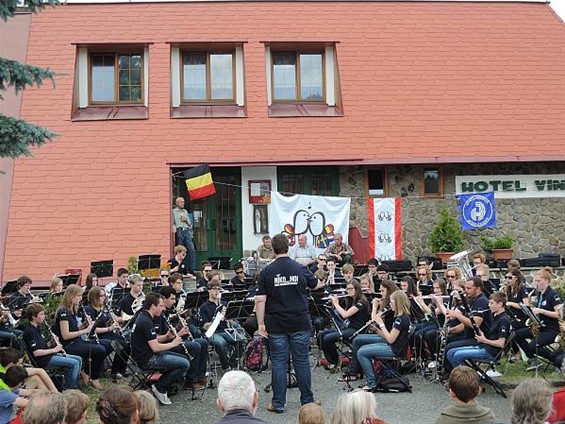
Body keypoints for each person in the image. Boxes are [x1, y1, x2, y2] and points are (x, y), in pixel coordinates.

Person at [256, 233, 325, 414]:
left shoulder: (266, 272)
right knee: (301, 361)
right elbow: (316, 284)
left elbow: (260, 300)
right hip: (299, 322)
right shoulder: (300, 268)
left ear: (274, 248)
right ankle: (307, 401)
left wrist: (260, 324)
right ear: (288, 247)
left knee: (279, 362)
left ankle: (278, 403)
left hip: (276, 324)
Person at [130, 292, 189, 405]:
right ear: (153, 306)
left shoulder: (144, 317)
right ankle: (160, 387)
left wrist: (166, 337)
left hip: (147, 354)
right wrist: (173, 343)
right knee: (184, 364)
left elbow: (151, 341)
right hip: (147, 360)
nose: (163, 309)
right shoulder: (146, 321)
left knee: (183, 358)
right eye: (160, 306)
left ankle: (162, 385)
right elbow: (155, 348)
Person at [54, 284, 107, 390]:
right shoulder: (63, 312)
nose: (80, 298)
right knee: (99, 350)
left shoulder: (72, 310)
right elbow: (65, 335)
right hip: (68, 345)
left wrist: (84, 325)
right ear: (71, 296)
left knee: (101, 347)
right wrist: (85, 330)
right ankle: (93, 377)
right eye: (78, 296)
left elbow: (74, 330)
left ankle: (87, 373)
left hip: (76, 341)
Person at [357, 290, 412, 391]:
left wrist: (381, 324)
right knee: (362, 349)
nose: (390, 303)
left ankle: (371, 382)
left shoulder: (401, 319)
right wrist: (377, 329)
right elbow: (389, 336)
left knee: (361, 352)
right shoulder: (401, 317)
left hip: (395, 350)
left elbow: (390, 340)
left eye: (391, 301)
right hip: (393, 347)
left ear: (397, 302)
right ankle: (373, 378)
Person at [22, 303, 82, 390]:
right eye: (41, 314)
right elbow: (36, 353)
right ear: (34, 317)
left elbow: (42, 347)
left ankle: (74, 385)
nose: (44, 316)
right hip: (43, 360)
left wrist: (51, 343)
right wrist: (54, 350)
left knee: (78, 359)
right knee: (74, 363)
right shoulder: (30, 331)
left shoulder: (37, 328)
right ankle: (68, 389)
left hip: (47, 356)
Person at [514, 267, 563, 371]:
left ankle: (554, 359)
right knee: (516, 334)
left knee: (532, 346)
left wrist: (542, 311)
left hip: (552, 329)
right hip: (541, 326)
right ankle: (533, 359)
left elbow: (560, 315)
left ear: (546, 281)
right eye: (535, 281)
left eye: (538, 281)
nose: (536, 283)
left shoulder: (552, 295)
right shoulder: (539, 294)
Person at [446, 292, 511, 368]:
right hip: (485, 346)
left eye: (491, 303)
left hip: (490, 352)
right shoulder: (495, 315)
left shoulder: (503, 320)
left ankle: (468, 377)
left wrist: (484, 340)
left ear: (500, 304)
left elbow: (501, 343)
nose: (489, 305)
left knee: (457, 355)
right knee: (450, 352)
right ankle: (467, 374)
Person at [159, 286, 207, 390]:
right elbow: (161, 336)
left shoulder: (168, 311)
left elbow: (171, 330)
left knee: (203, 342)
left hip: (174, 341)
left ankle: (200, 376)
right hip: (166, 345)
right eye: (171, 299)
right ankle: (190, 381)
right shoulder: (159, 313)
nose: (174, 301)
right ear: (163, 299)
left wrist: (180, 327)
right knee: (195, 346)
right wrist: (179, 333)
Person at [318, 280, 369, 372]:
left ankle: (335, 362)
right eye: (347, 289)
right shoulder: (350, 300)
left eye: (351, 289)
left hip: (357, 330)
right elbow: (341, 315)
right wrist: (334, 307)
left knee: (328, 338)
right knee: (321, 334)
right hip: (348, 327)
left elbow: (345, 314)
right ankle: (333, 360)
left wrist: (336, 304)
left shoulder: (361, 301)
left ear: (357, 289)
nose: (349, 291)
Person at [85, 286, 129, 382]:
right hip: (97, 336)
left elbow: (108, 320)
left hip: (107, 333)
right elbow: (92, 329)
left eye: (104, 295)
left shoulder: (104, 308)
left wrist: (114, 322)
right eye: (101, 296)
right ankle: (115, 371)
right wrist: (109, 328)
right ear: (94, 297)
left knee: (126, 343)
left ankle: (120, 369)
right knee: (119, 344)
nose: (104, 298)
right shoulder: (89, 310)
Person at [200, 279, 245, 371]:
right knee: (221, 343)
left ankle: (233, 363)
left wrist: (228, 317)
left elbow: (232, 322)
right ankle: (226, 366)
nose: (217, 291)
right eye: (214, 289)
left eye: (218, 289)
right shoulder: (204, 306)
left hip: (225, 330)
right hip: (213, 332)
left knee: (243, 339)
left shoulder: (224, 304)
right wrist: (217, 319)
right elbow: (205, 326)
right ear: (209, 290)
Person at [172, 196, 196, 275]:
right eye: (181, 202)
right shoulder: (173, 212)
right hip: (179, 230)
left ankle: (192, 269)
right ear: (177, 203)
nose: (183, 204)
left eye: (183, 202)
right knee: (180, 250)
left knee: (191, 249)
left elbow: (190, 225)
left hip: (186, 231)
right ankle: (181, 269)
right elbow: (172, 223)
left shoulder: (185, 211)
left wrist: (186, 220)